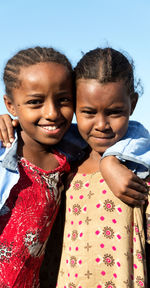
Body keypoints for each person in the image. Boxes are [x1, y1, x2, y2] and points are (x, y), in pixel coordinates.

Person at [0, 48, 150, 287]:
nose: (51, 113)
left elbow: (137, 132)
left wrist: (109, 160)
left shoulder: (130, 170)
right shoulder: (17, 152)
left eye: (63, 100)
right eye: (88, 112)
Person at [54, 48, 150, 288]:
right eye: (88, 112)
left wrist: (110, 160)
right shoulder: (66, 162)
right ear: (74, 107)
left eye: (115, 112)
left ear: (133, 104)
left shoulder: (140, 169)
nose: (101, 125)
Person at [0, 46, 75, 287]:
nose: (52, 113)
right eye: (35, 102)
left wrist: (114, 159)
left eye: (64, 99)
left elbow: (122, 126)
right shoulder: (3, 150)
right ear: (11, 106)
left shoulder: (69, 156)